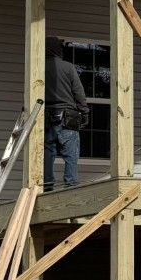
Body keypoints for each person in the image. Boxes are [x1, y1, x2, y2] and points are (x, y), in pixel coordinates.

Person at [43, 37, 88, 190]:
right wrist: (84, 112)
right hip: (68, 119)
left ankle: (47, 186)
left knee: (47, 155)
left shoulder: (38, 67)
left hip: (47, 120)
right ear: (57, 49)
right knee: (70, 156)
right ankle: (71, 188)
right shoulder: (68, 67)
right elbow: (79, 93)